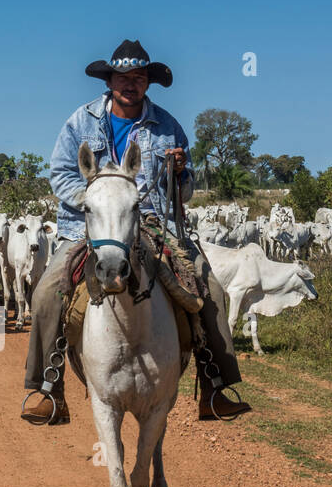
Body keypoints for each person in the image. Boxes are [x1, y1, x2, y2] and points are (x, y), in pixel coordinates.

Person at [21, 39, 252, 424]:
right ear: (110, 80)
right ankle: (47, 389)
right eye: (123, 77)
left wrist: (180, 174)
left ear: (148, 82)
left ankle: (215, 386)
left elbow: (186, 193)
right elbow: (60, 175)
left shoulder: (168, 127)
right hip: (89, 225)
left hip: (152, 223)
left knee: (210, 289)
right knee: (46, 292)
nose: (131, 84)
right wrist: (98, 201)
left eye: (139, 77)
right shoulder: (80, 122)